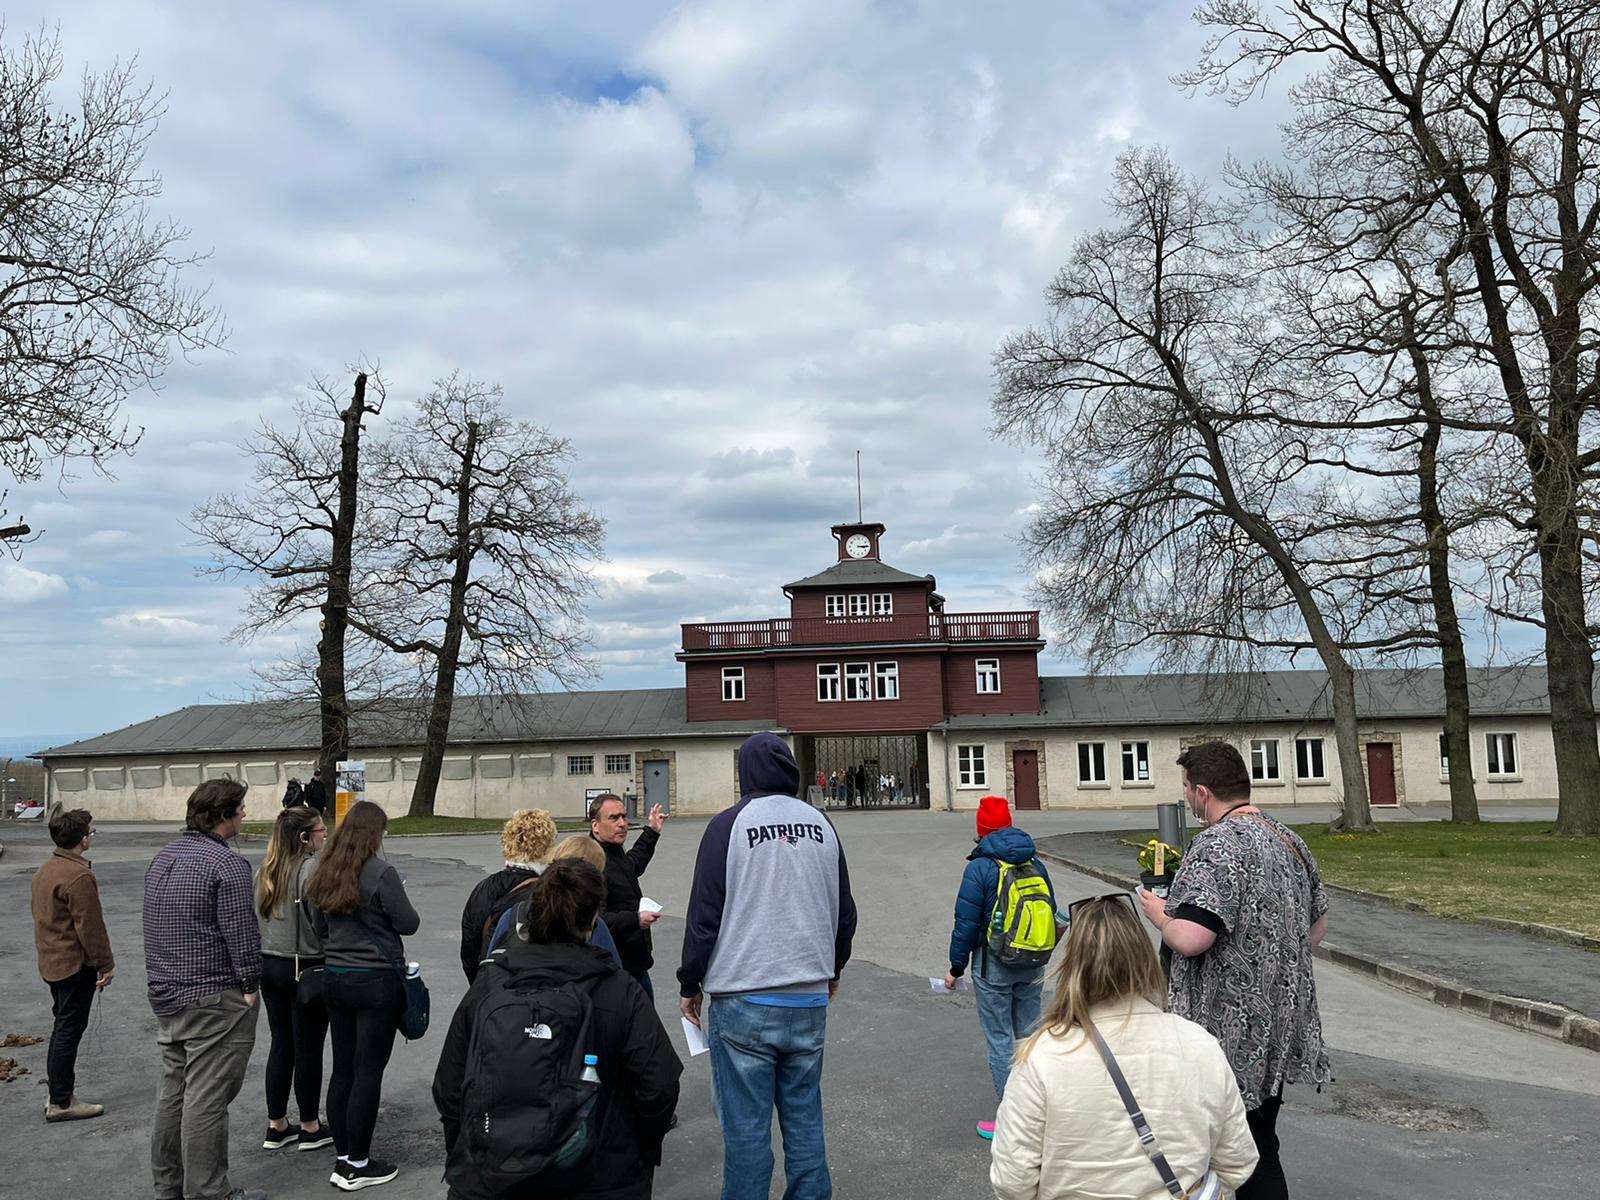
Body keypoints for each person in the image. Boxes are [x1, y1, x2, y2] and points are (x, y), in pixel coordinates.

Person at [1138, 741, 1330, 1200]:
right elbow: (1317, 927)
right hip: (1280, 1025)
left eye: (1187, 790)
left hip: (1227, 1030)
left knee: (1217, 1150)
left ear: (1203, 792)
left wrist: (1160, 913)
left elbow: (1191, 937)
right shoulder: (1289, 839)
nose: (1186, 799)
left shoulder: (1217, 845)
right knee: (1262, 1142)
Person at [433, 857, 682, 1200]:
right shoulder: (619, 990)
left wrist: (470, 1153)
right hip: (599, 1173)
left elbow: (449, 1086)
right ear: (594, 918)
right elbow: (660, 1084)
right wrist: (635, 1151)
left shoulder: (489, 985)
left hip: (493, 1175)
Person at [679, 732, 857, 1200]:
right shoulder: (820, 824)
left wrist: (690, 981)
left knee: (746, 1133)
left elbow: (704, 915)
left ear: (746, 773)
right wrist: (832, 968)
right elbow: (844, 911)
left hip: (744, 998)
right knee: (804, 1123)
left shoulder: (728, 826)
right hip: (808, 998)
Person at [989, 895, 1258, 1200]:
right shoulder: (1200, 1044)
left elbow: (1012, 1181)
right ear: (1144, 958)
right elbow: (1238, 1161)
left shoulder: (1042, 1056)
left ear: (1073, 966)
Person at [143, 778, 266, 1200]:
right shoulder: (226, 864)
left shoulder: (163, 858)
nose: (245, 815)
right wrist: (250, 984)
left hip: (168, 993)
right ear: (222, 816)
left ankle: (169, 1187)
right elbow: (242, 931)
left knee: (174, 1093)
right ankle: (209, 1191)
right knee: (207, 1098)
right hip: (214, 996)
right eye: (241, 809)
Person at [306, 800, 420, 1191]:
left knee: (343, 1069)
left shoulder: (325, 869)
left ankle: (343, 1154)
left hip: (335, 978)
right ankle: (357, 1163)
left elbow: (317, 924)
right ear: (374, 833)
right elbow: (409, 924)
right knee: (369, 1071)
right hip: (375, 981)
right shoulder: (380, 872)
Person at [944, 795, 1060, 1139]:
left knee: (999, 1040)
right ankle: (1040, 1114)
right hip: (1033, 961)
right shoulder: (1035, 862)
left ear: (981, 830)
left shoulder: (980, 867)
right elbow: (1050, 909)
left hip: (994, 966)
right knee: (1029, 1038)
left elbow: (965, 923)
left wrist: (955, 967)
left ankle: (1012, 1121)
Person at [31, 805, 114, 1122]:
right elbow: (90, 928)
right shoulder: (78, 876)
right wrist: (105, 964)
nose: (91, 837)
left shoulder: (47, 869)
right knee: (68, 1030)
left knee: (61, 1027)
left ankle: (58, 1092)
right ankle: (61, 1101)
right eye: (90, 833)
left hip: (51, 961)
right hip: (73, 965)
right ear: (83, 839)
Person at [255, 806, 331, 1152]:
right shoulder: (312, 869)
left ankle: (276, 1124)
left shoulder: (266, 870)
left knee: (281, 1042)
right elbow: (321, 922)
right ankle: (310, 1125)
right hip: (306, 965)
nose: (325, 834)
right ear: (304, 837)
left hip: (270, 965)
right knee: (309, 1048)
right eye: (320, 830)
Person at [457, 808, 557, 982]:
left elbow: (469, 946)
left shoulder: (484, 888)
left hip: (491, 986)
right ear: (546, 845)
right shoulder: (548, 892)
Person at [589, 792, 668, 998]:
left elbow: (631, 866)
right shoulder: (593, 861)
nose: (622, 823)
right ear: (595, 825)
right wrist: (635, 920)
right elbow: (595, 919)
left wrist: (652, 831)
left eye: (624, 816)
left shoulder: (613, 851)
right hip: (614, 968)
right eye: (614, 818)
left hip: (635, 963)